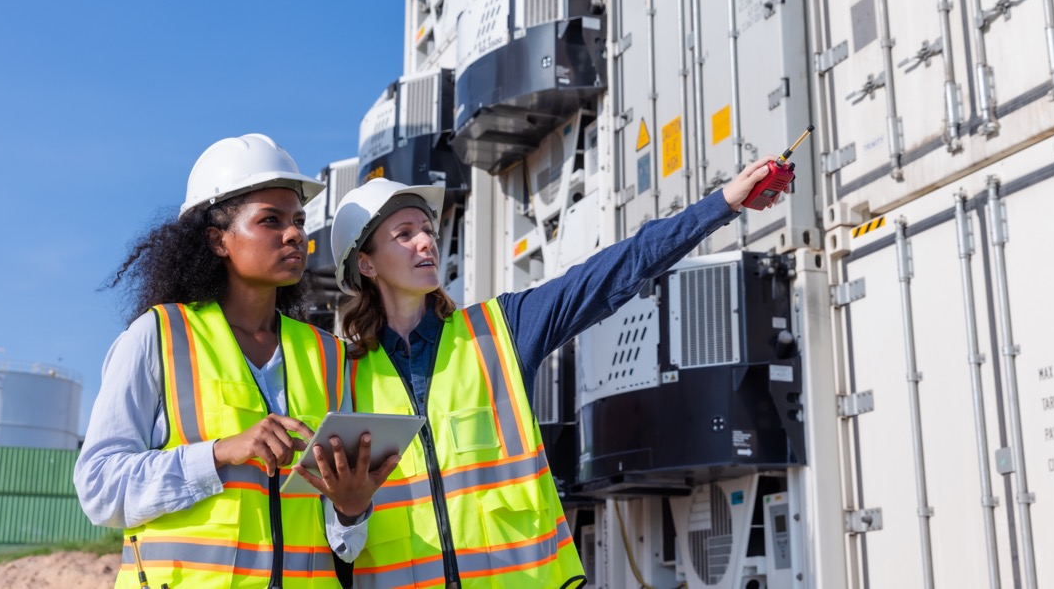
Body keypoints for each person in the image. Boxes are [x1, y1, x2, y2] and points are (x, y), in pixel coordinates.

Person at [323, 158, 787, 588]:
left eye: (427, 229)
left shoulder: (500, 330)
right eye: (404, 234)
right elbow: (334, 540)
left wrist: (723, 203)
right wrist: (348, 512)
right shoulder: (341, 377)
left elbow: (613, 270)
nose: (426, 241)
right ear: (365, 263)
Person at [75, 133, 396, 589]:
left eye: (299, 220)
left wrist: (350, 508)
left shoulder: (328, 354)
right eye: (271, 220)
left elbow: (343, 542)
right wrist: (221, 453)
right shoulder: (158, 337)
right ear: (218, 240)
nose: (295, 234)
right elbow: (100, 489)